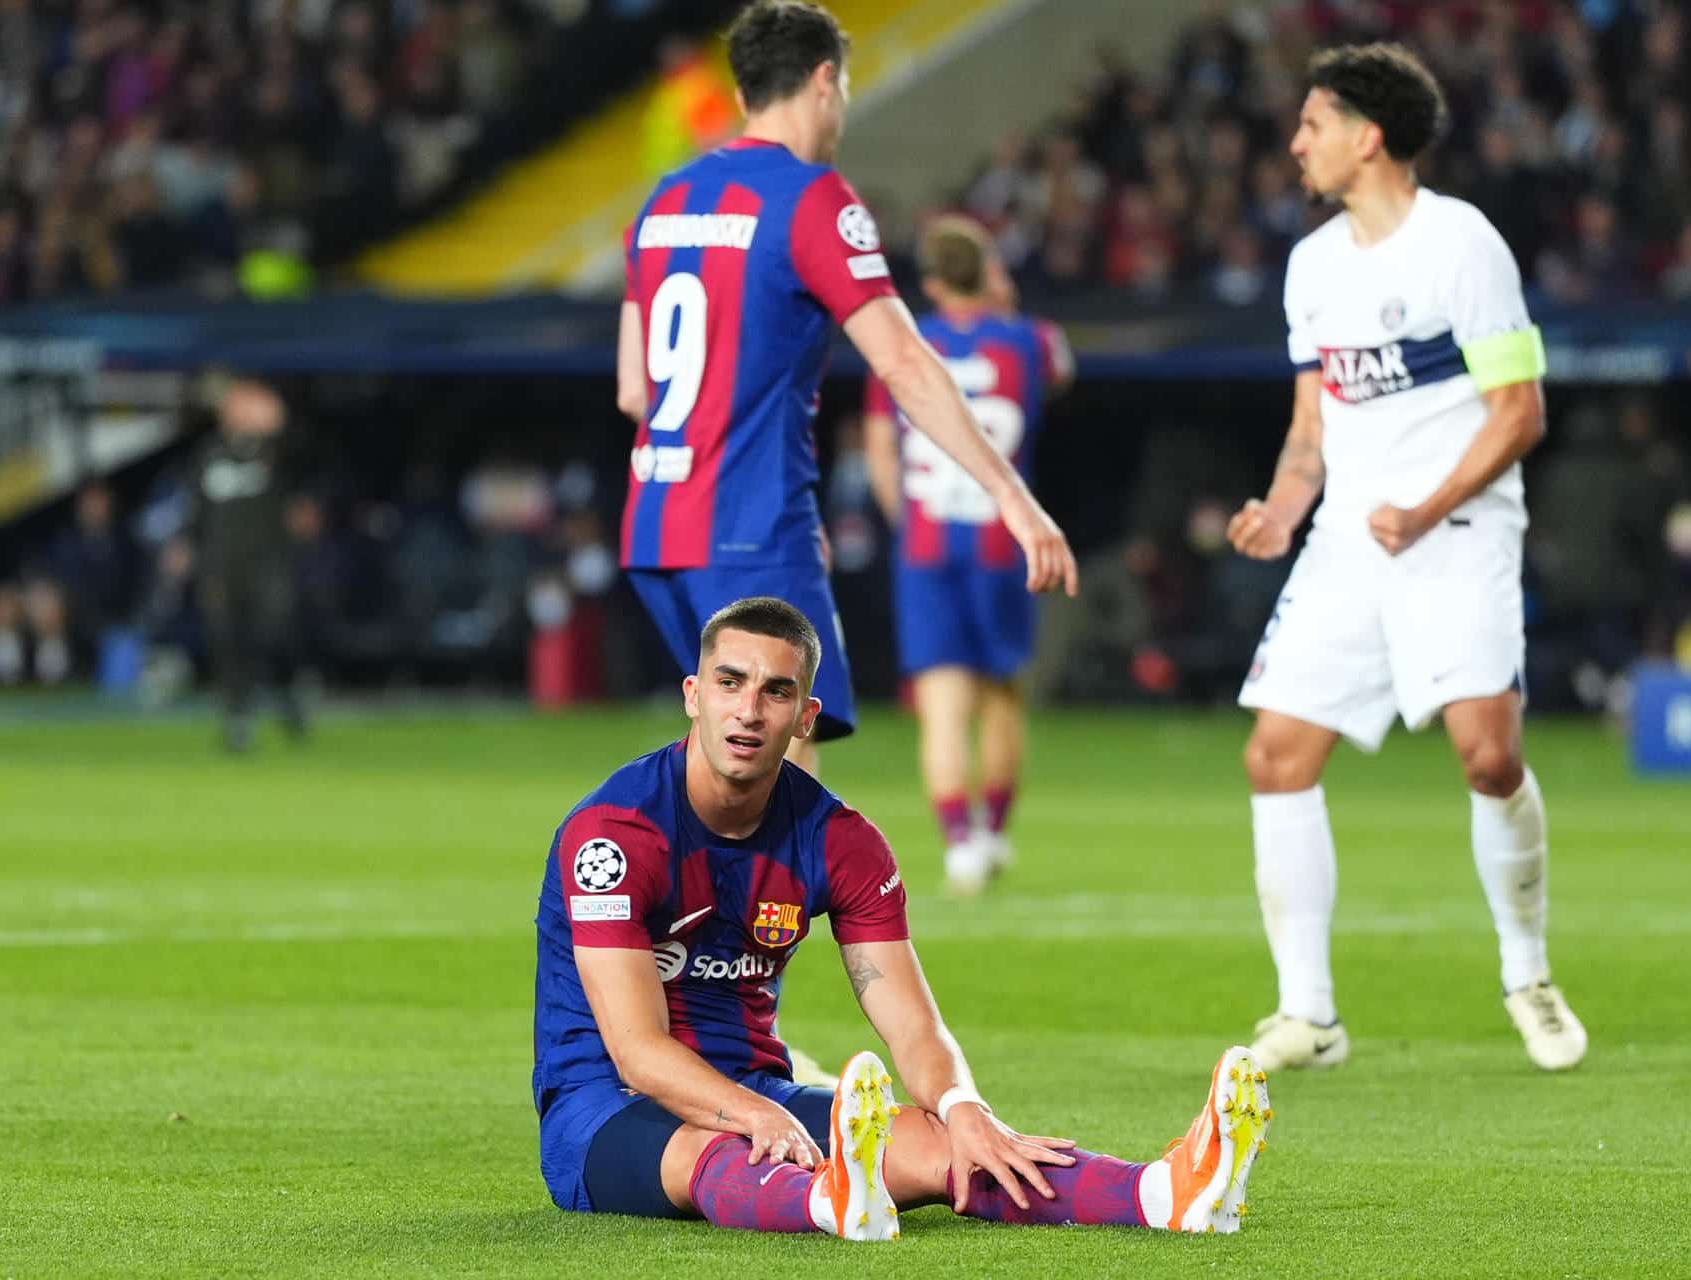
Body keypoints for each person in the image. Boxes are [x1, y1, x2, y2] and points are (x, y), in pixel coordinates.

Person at [532, 596, 1271, 1237]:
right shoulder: (618, 835)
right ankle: (830, 1198)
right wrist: (759, 1117)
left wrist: (964, 1105)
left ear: (806, 717)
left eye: (776, 691)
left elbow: (912, 1024)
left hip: (755, 1085)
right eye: (730, 683)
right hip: (606, 1108)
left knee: (943, 1143)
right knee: (707, 1151)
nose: (748, 711)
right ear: (694, 694)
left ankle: (1165, 1193)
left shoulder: (840, 841)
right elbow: (636, 1051)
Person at [1227, 43, 1585, 1073]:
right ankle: (1310, 1013)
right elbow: (1312, 424)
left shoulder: (1461, 244)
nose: (1296, 143)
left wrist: (1427, 505)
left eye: (1312, 123)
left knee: (1488, 753)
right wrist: (1285, 508)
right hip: (1350, 541)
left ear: (1366, 135)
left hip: (1458, 530)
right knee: (1276, 754)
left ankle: (1527, 972)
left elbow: (1519, 411)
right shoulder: (1313, 264)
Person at [616, 0, 1077, 780]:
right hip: (750, 520)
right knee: (782, 755)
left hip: (658, 523)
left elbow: (635, 389)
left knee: (728, 756)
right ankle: (762, 908)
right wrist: (1013, 496)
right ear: (825, 80)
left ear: (743, 94)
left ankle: (712, 904)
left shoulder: (663, 201)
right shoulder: (812, 198)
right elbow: (904, 363)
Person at [861, 216, 1074, 892]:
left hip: (926, 544)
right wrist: (1004, 304)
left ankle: (958, 843)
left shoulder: (900, 341)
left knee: (942, 704)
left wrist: (907, 521)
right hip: (999, 542)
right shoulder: (1032, 341)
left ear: (928, 282)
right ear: (989, 270)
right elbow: (1060, 377)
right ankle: (993, 831)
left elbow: (878, 449)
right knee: (1003, 694)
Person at [191, 378, 305, 752]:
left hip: (266, 561)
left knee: (271, 634)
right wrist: (187, 549)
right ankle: (237, 717)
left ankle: (286, 694)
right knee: (226, 639)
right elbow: (198, 511)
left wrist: (276, 422)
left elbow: (303, 456)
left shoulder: (272, 451)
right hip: (221, 563)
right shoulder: (208, 453)